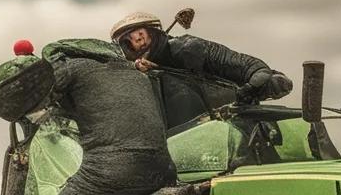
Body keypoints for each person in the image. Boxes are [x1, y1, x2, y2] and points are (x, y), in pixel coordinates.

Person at [0, 40, 176, 195]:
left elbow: (39, 95)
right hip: (163, 168)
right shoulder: (122, 68)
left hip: (113, 169)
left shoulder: (62, 69)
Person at [109, 12, 293, 124]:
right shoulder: (141, 71)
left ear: (154, 33)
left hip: (230, 118)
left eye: (140, 35)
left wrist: (249, 90)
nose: (138, 42)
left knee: (274, 82)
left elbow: (257, 69)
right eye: (130, 42)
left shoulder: (187, 48)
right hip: (184, 131)